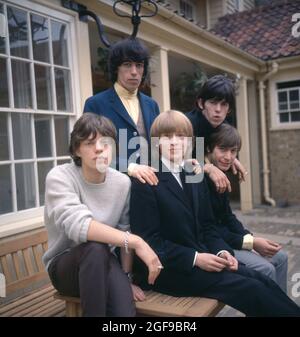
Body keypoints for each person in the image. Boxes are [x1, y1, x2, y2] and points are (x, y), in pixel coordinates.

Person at [130, 110, 300, 316]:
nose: (174, 142)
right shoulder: (146, 181)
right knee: (251, 289)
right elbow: (149, 241)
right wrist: (195, 258)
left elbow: (207, 227)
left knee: (261, 279)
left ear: (189, 142)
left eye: (180, 136)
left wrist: (222, 252)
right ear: (157, 142)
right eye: (167, 137)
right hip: (170, 271)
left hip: (204, 260)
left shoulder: (194, 174)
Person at [42, 113, 162, 317]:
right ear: (77, 149)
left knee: (125, 313)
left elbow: (124, 230)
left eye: (105, 143)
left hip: (104, 261)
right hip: (65, 268)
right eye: (89, 143)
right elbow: (80, 226)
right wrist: (137, 242)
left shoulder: (122, 183)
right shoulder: (60, 177)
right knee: (94, 247)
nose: (99, 148)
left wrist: (126, 278)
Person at [206, 123, 288, 292]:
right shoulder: (200, 180)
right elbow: (210, 229)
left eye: (233, 151)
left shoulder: (222, 175)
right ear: (209, 149)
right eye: (223, 149)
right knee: (266, 269)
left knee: (281, 257)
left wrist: (250, 238)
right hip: (213, 245)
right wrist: (251, 243)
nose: (228, 157)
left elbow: (228, 217)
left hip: (228, 239)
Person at [83, 38, 159, 186]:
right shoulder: (95, 104)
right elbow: (91, 149)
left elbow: (159, 148)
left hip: (151, 186)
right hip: (112, 186)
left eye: (139, 65)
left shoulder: (152, 105)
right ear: (116, 68)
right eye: (127, 65)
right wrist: (130, 167)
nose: (134, 72)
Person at [186, 75, 247, 193]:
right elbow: (167, 165)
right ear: (201, 103)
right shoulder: (186, 126)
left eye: (224, 104)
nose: (218, 109)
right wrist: (207, 168)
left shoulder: (223, 126)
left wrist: (231, 158)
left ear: (229, 108)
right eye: (213, 103)